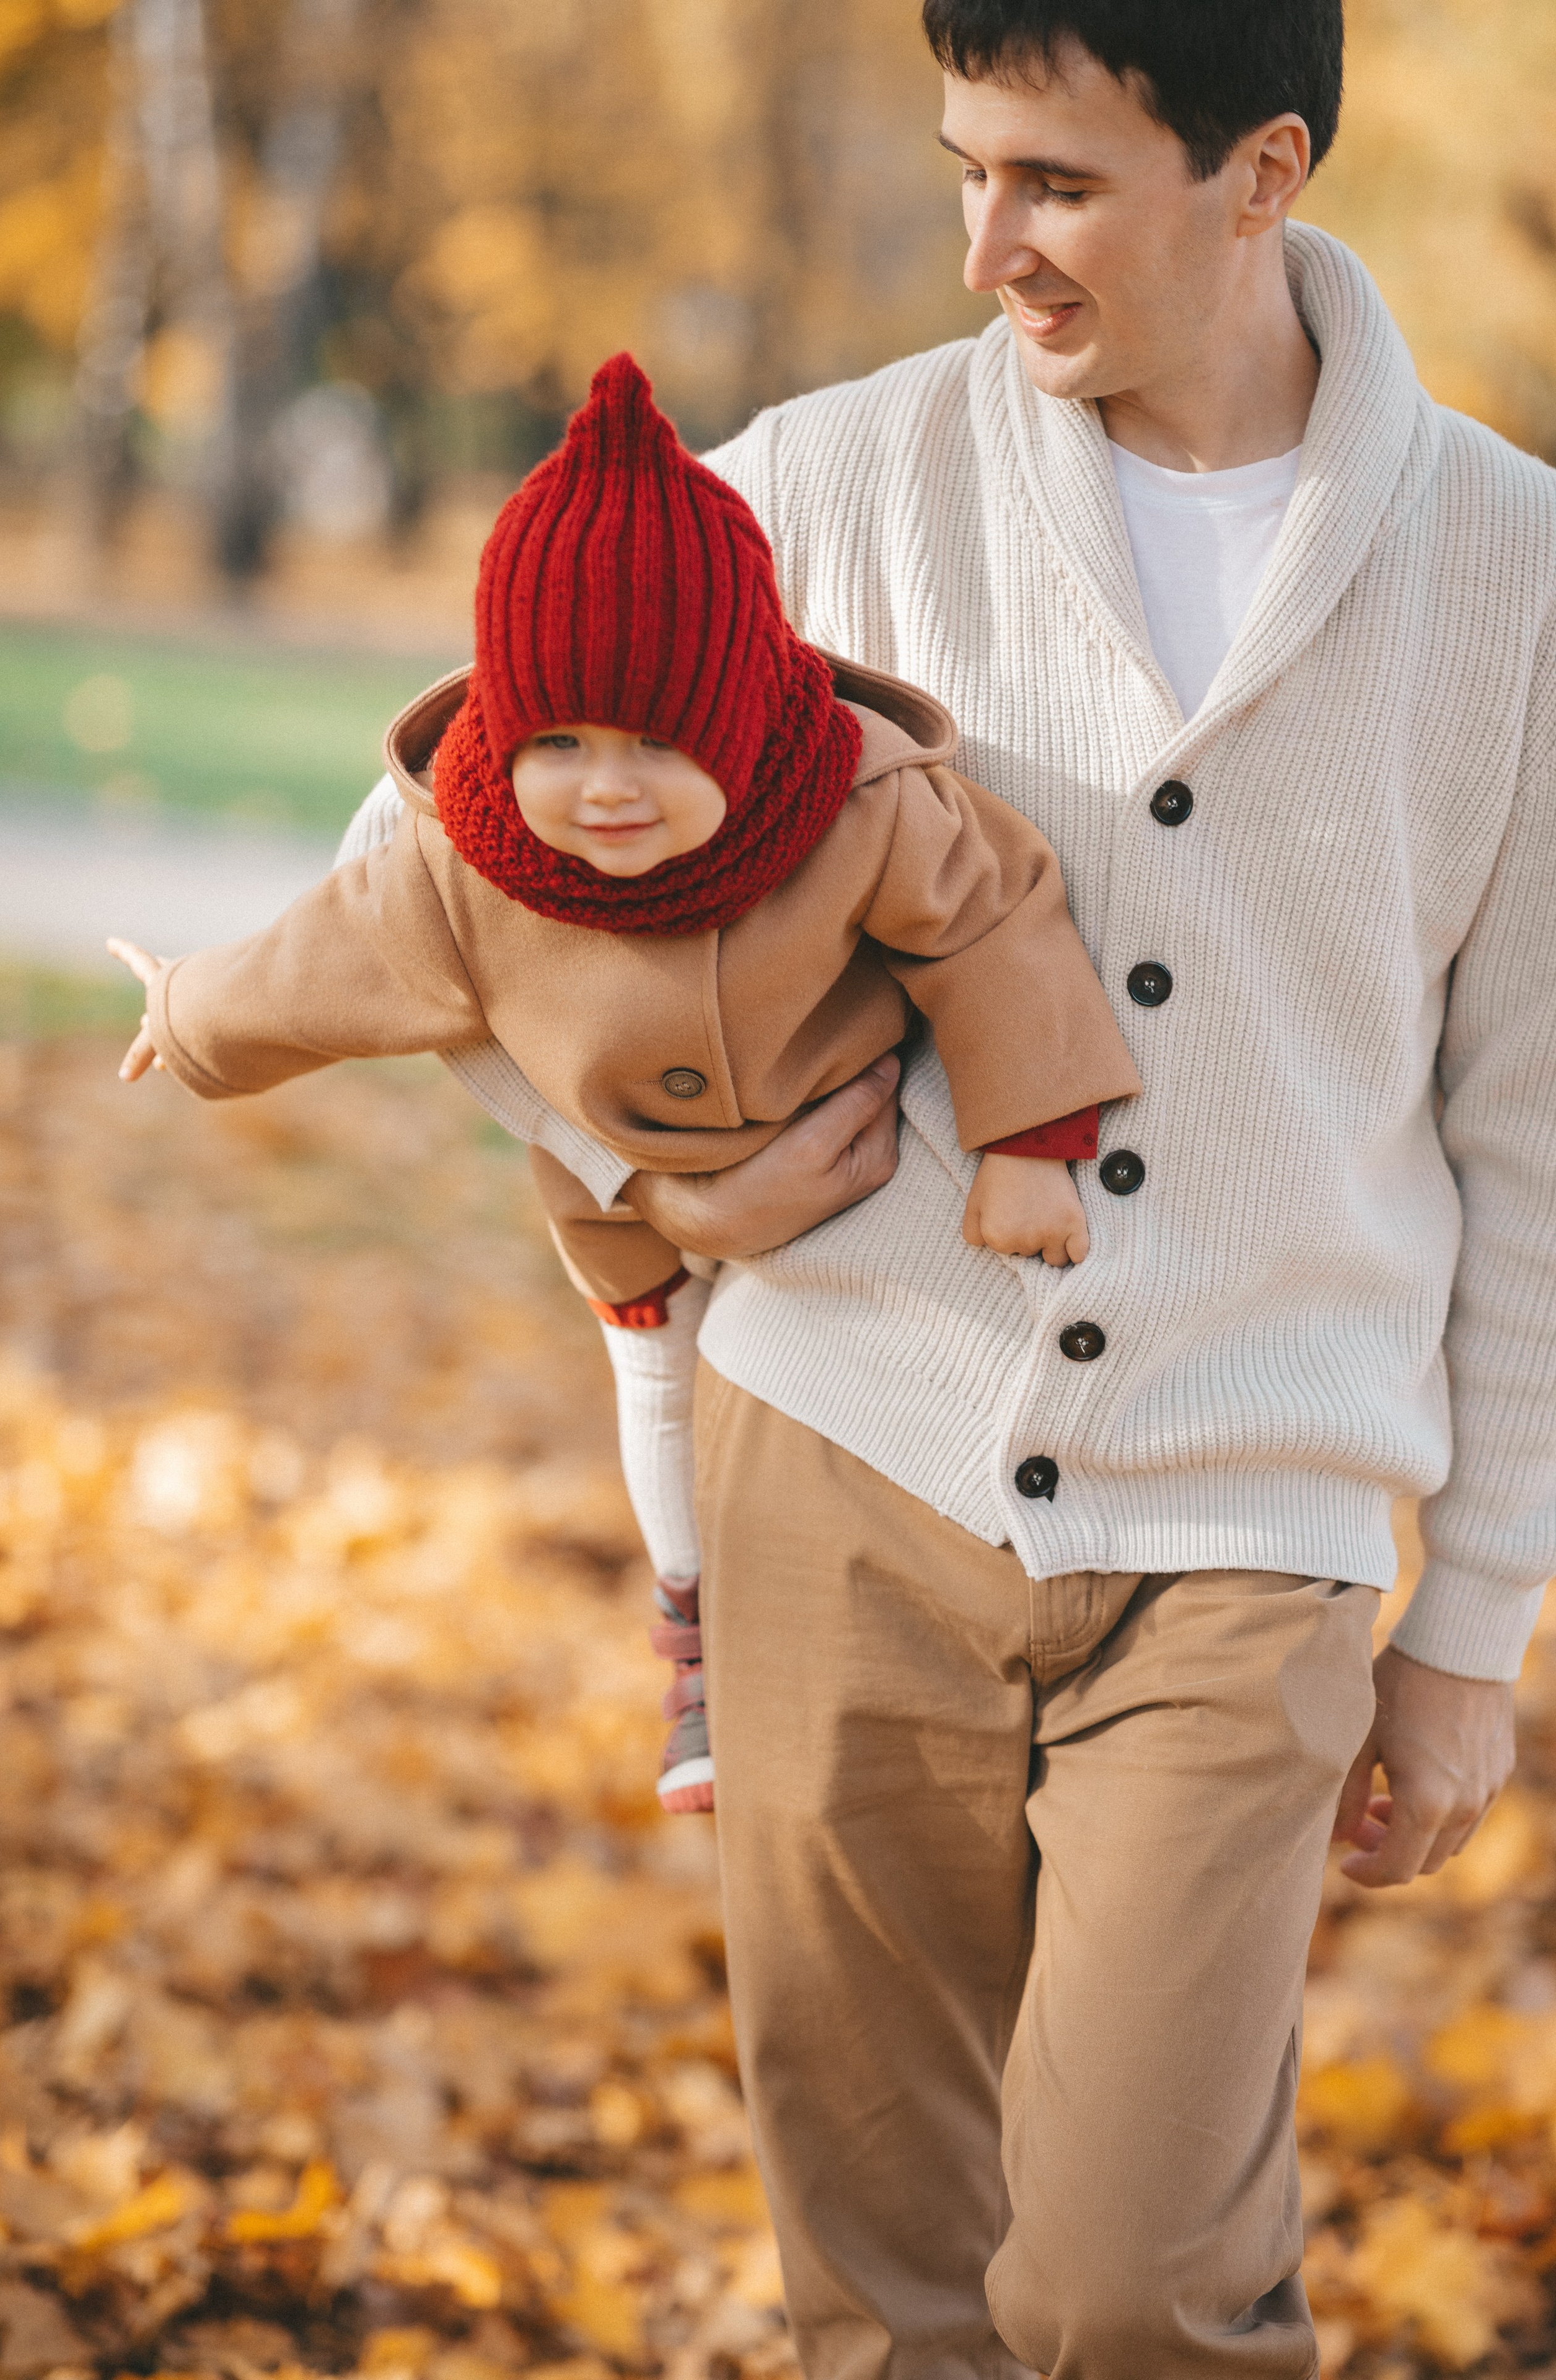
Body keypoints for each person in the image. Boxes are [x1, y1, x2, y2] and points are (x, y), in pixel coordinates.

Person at [333, 3, 1556, 2372]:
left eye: (1058, 186)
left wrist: (1473, 1624)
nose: (985, 242)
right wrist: (643, 1160)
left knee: (1133, 2293)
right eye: (964, 168)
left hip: (1254, 1522)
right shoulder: (819, 488)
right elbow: (425, 870)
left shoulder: (1513, 572)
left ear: (1264, 169)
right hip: (851, 1469)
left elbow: (1535, 1125)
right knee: (885, 2297)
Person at [107, 351, 1141, 1820]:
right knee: (653, 1385)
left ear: (738, 724)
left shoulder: (853, 806)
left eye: (660, 743)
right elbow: (316, 959)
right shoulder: (464, 866)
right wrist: (189, 1015)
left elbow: (995, 929)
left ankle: (933, 1635)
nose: (607, 788)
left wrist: (1029, 1138)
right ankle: (692, 1640)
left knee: (830, 1416)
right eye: (562, 743)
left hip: (847, 1160)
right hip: (620, 1198)